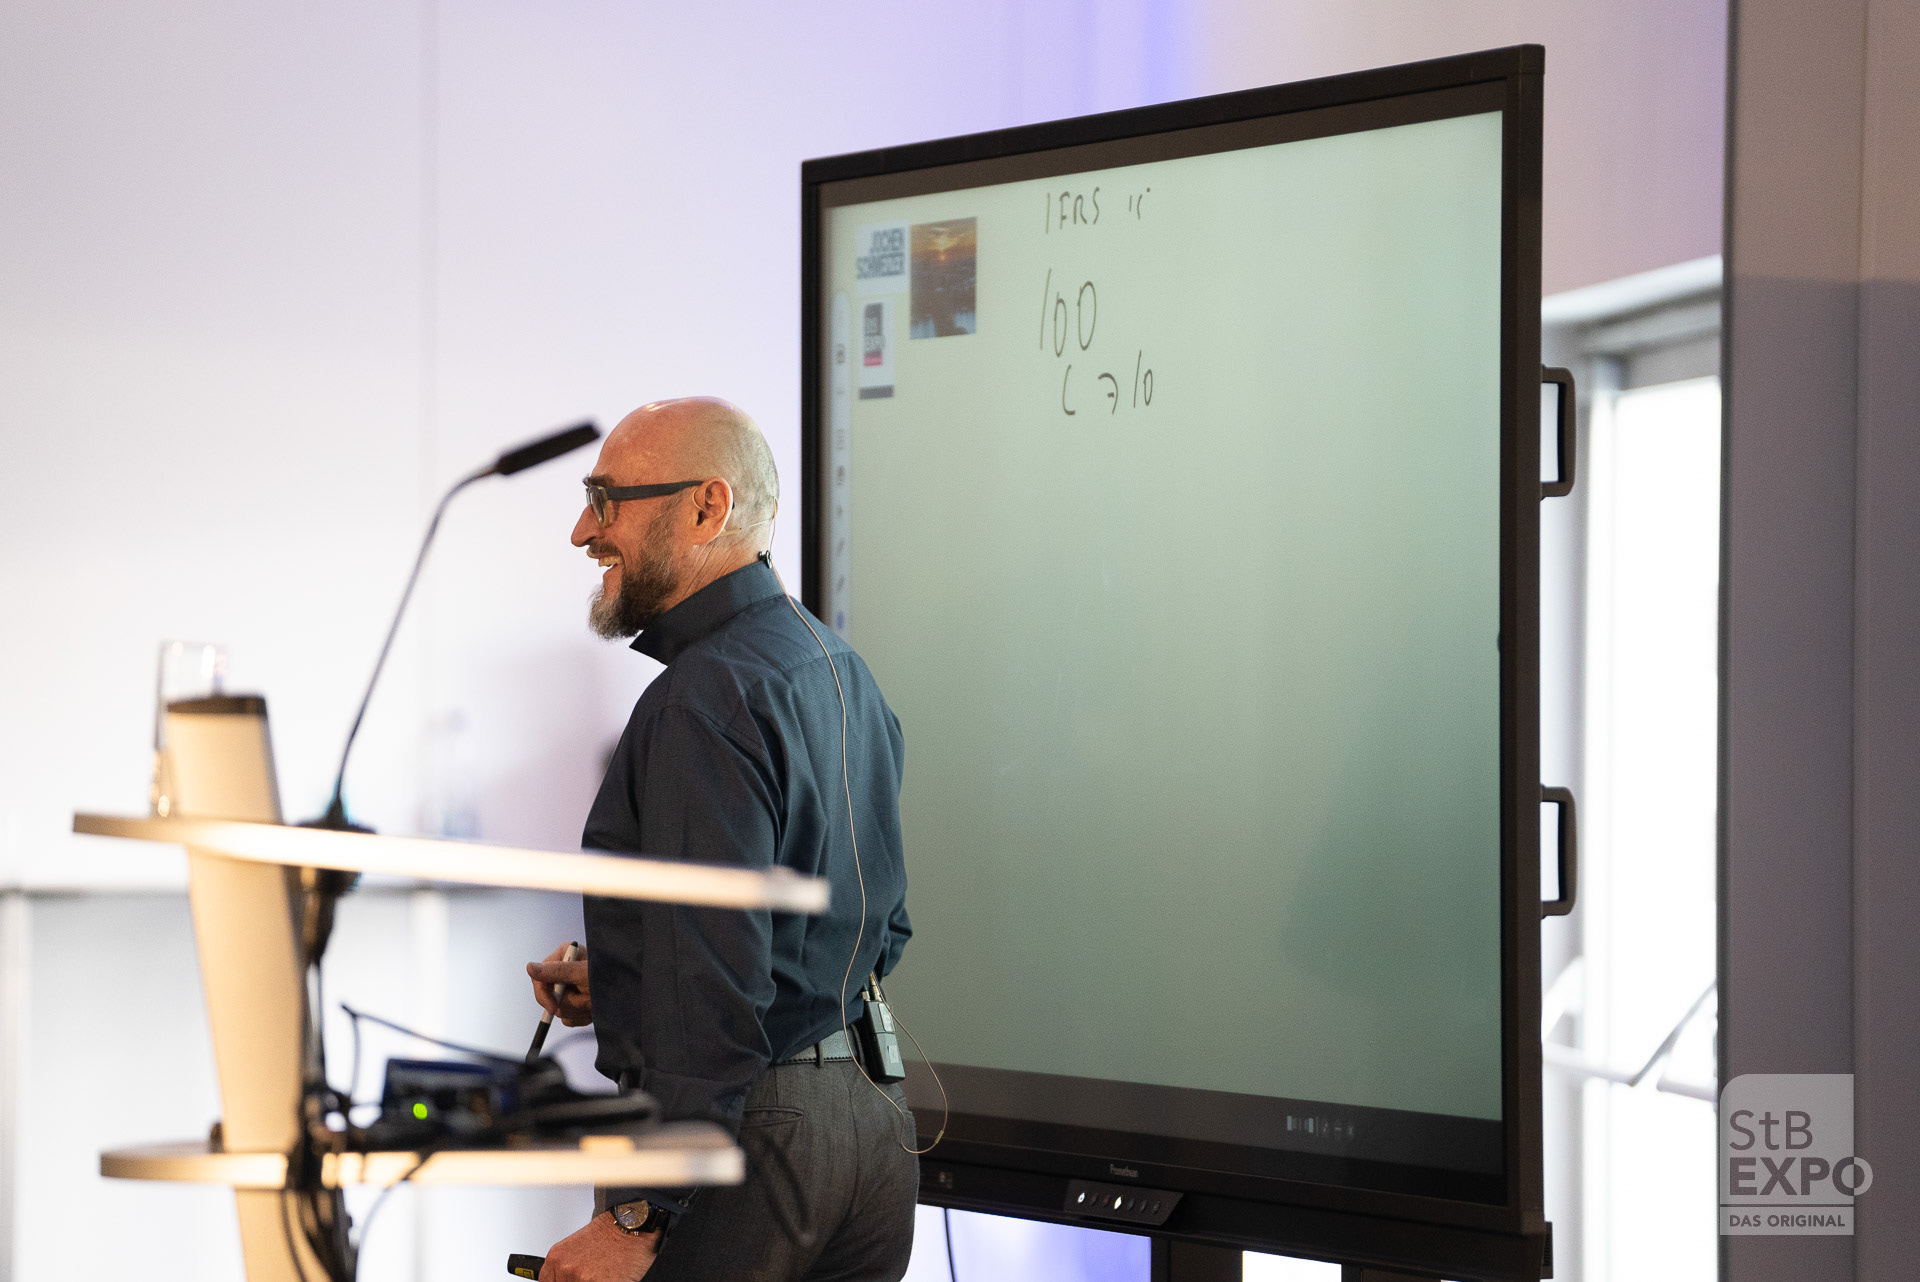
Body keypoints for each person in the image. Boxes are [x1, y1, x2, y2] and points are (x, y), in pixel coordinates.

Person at [527, 397, 917, 1282]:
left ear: (707, 507)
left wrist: (641, 1212)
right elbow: (876, 929)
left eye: (605, 499)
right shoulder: (839, 667)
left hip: (746, 1145)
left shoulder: (702, 699)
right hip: (872, 1128)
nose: (584, 531)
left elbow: (712, 989)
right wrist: (629, 978)